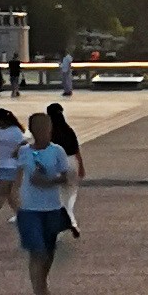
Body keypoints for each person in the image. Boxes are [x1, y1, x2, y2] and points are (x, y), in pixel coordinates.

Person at [9, 112, 73, 295]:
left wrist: (51, 180)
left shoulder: (58, 151)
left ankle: (43, 281)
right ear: (33, 130)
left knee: (48, 250)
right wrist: (16, 200)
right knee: (36, 251)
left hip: (52, 207)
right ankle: (38, 294)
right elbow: (26, 178)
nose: (43, 133)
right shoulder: (25, 152)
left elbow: (66, 177)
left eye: (46, 128)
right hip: (29, 209)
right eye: (38, 129)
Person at [46, 101, 85, 235]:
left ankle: (65, 221)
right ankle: (70, 219)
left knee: (58, 196)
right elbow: (76, 149)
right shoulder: (69, 130)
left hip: (56, 164)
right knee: (70, 193)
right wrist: (81, 166)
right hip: (72, 161)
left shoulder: (49, 132)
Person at [0, 108, 27, 222]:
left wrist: (17, 150)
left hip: (12, 165)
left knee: (5, 193)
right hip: (2, 164)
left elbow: (24, 143)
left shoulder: (15, 130)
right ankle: (20, 214)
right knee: (7, 195)